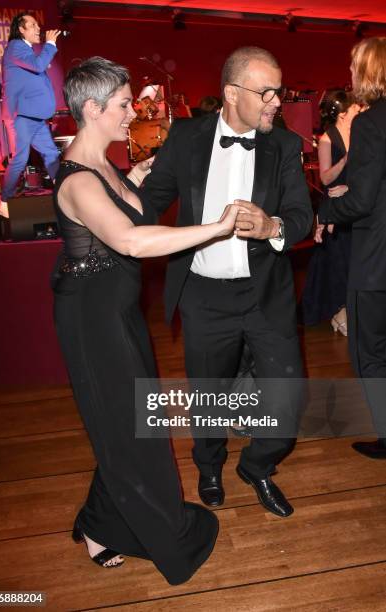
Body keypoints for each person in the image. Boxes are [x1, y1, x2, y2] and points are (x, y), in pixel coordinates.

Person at [53, 56, 241, 585]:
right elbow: (133, 240)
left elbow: (131, 212)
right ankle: (101, 531)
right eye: (121, 104)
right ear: (92, 110)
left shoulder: (108, 165)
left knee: (127, 425)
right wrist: (215, 228)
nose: (131, 111)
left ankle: (96, 519)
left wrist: (135, 177)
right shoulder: (78, 181)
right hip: (92, 322)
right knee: (128, 431)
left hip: (118, 313)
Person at [144, 47, 313, 517]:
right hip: (203, 295)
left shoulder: (284, 145)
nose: (276, 102)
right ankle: (210, 465)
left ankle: (257, 464)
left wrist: (273, 227)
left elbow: (301, 215)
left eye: (278, 91)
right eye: (266, 93)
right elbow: (152, 199)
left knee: (286, 402)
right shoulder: (186, 137)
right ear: (231, 94)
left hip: (266, 296)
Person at [319, 37, 386, 459]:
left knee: (371, 354)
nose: (349, 75)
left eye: (353, 67)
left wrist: (327, 208)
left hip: (377, 258)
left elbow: (361, 201)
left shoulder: (370, 121)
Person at [302, 90, 361, 335]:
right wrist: (345, 160)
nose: (360, 109)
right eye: (356, 107)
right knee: (339, 260)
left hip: (356, 202)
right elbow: (325, 178)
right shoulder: (328, 139)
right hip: (336, 206)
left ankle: (350, 310)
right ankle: (339, 311)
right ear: (343, 112)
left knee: (354, 259)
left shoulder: (361, 132)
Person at [0, 13, 61, 217]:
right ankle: (5, 202)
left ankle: (63, 194)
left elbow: (35, 68)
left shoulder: (26, 51)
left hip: (33, 116)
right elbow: (37, 66)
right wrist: (50, 44)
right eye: (32, 25)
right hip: (21, 116)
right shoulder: (16, 46)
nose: (38, 29)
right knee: (20, 158)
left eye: (38, 24)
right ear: (21, 29)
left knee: (51, 154)